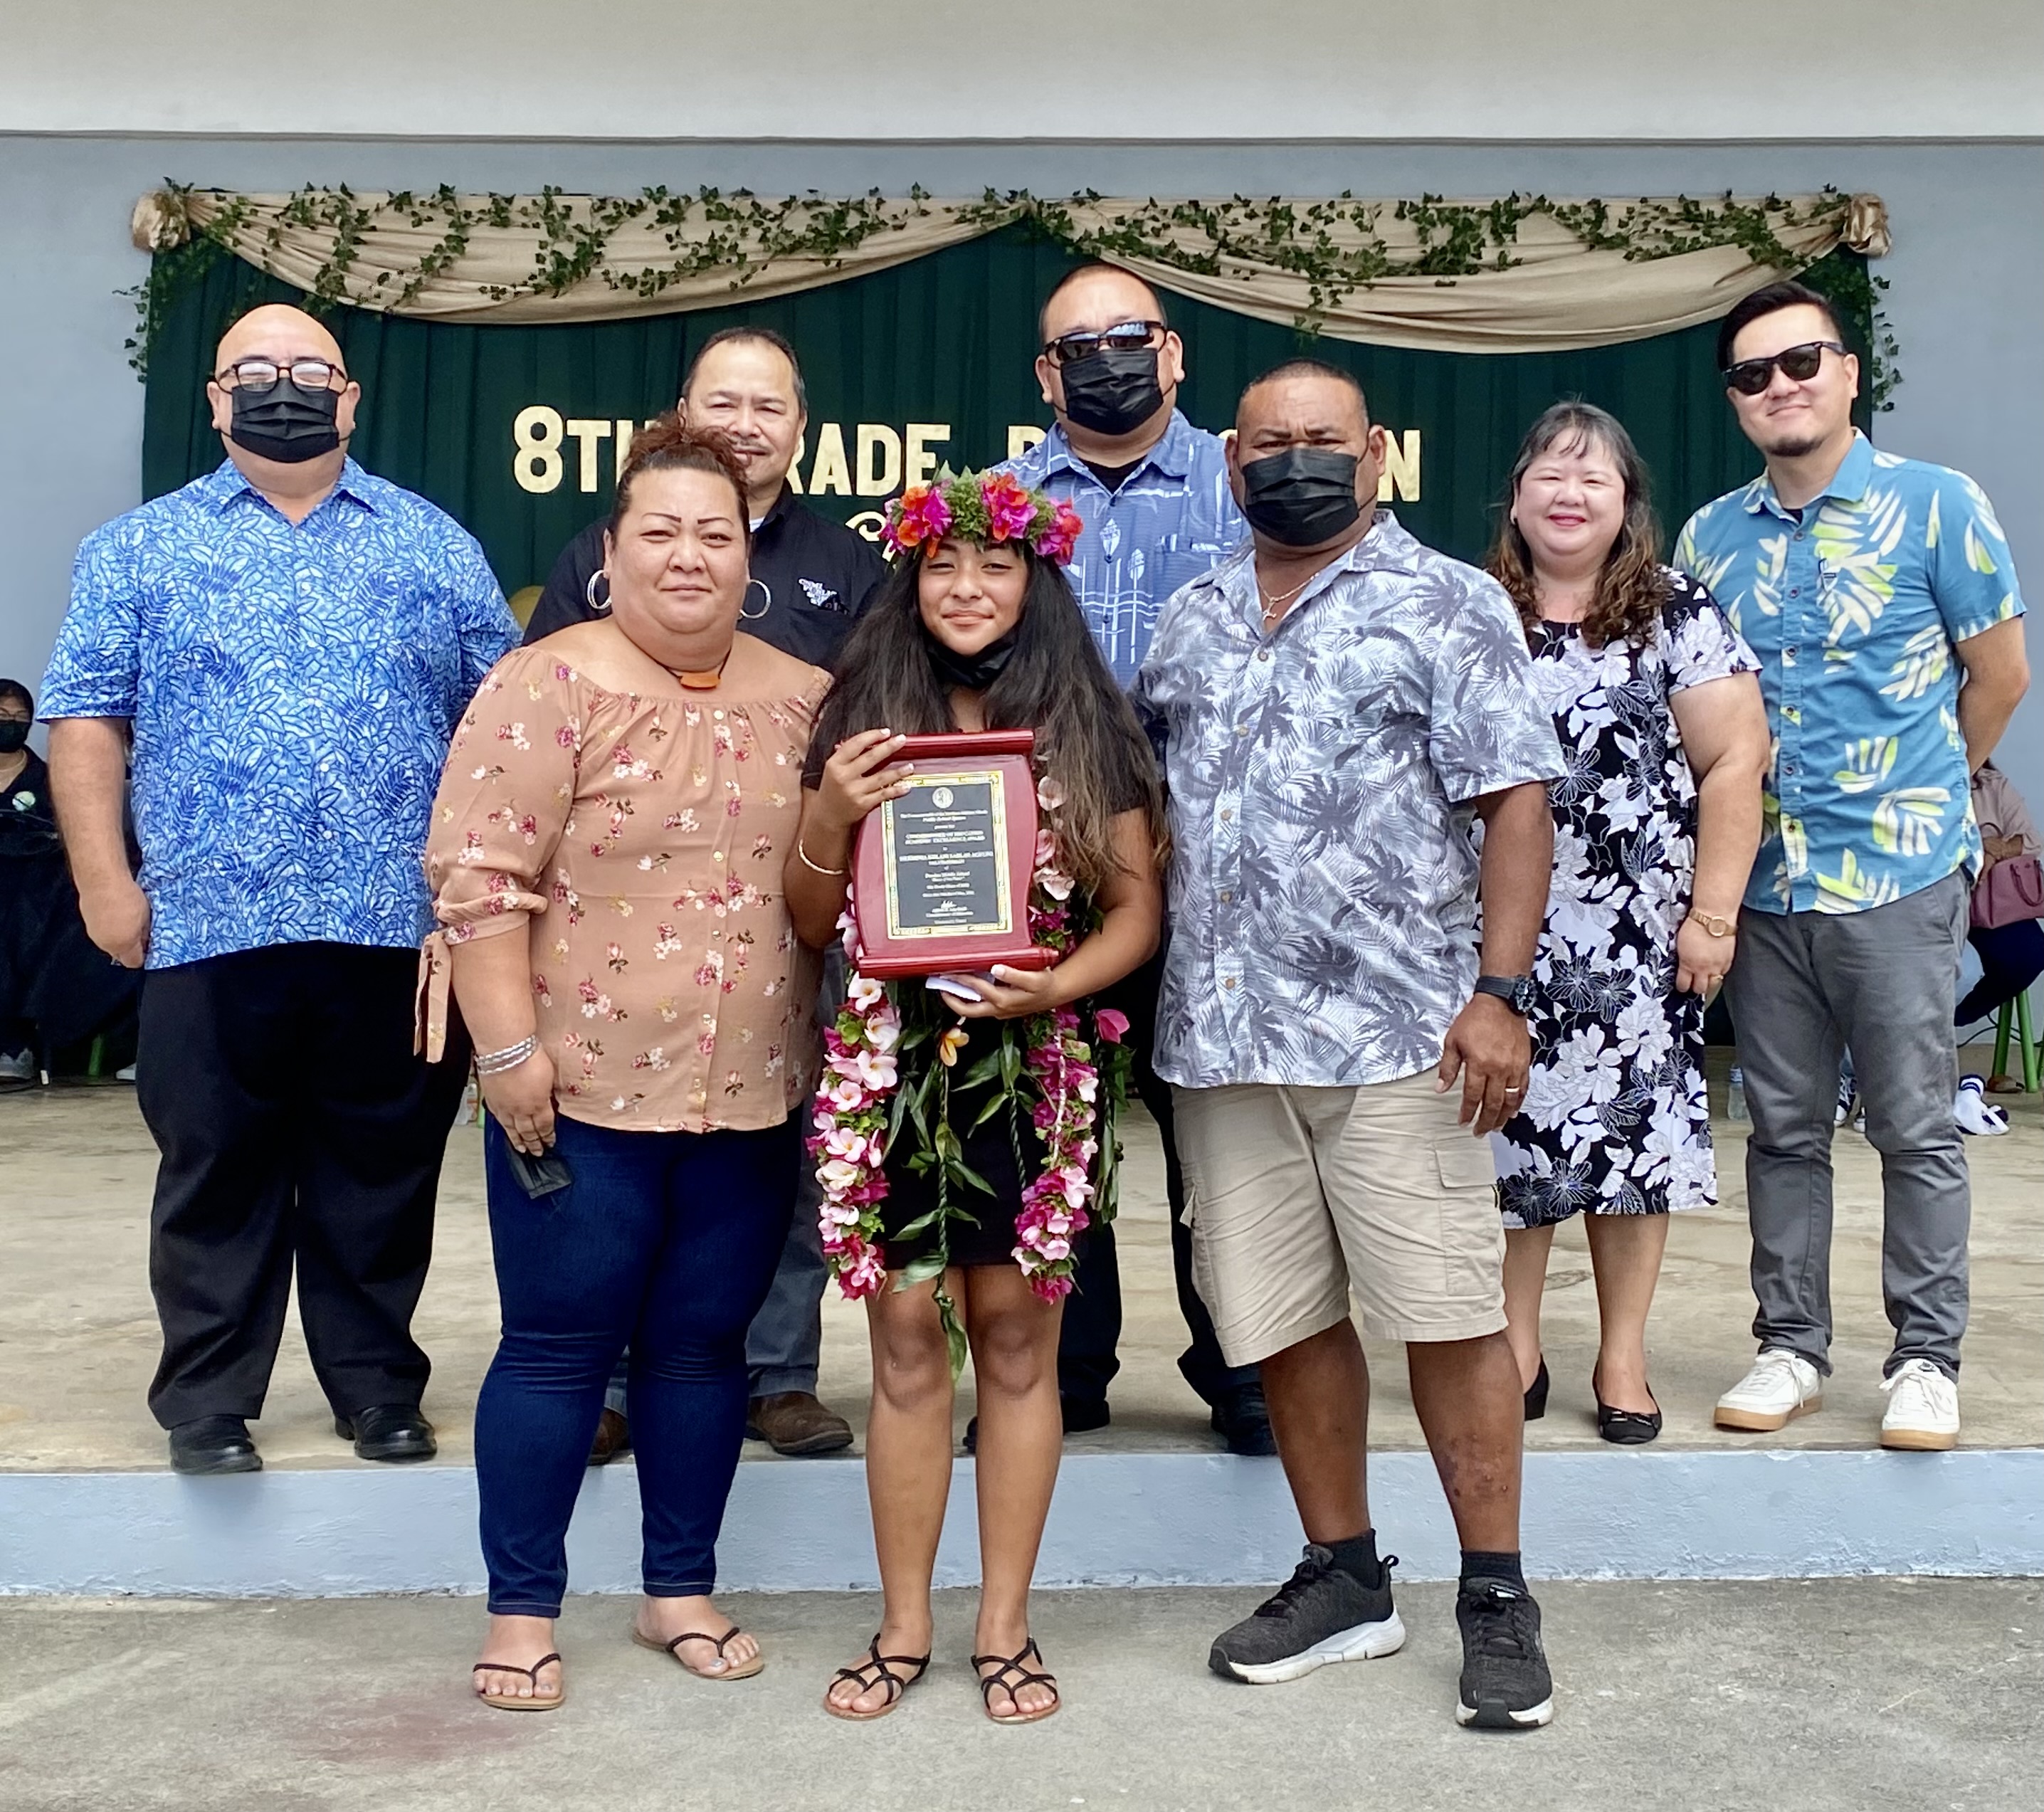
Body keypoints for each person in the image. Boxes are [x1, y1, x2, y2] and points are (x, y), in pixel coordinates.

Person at [1137, 362, 1566, 1730]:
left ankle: (1493, 1591)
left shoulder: (1451, 601)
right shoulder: (1191, 617)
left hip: (1404, 1032)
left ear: (1375, 454)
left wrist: (1499, 991)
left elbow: (1513, 801)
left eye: (1322, 440)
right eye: (1268, 443)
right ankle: (1343, 1574)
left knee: (1445, 1312)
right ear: (1228, 461)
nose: (1294, 460)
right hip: (1222, 1036)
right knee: (1283, 1317)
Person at [39, 303, 517, 1477]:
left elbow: (498, 728)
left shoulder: (431, 544)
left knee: (382, 1173)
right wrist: (106, 882)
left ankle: (374, 1389)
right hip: (207, 921)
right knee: (215, 1169)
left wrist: (487, 901)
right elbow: (89, 720)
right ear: (213, 398)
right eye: (254, 371)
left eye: (310, 372)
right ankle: (209, 1399)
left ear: (352, 399)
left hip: (391, 927)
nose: (283, 388)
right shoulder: (136, 549)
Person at [426, 421, 828, 1713]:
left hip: (754, 1090)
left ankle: (676, 1590)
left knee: (703, 1351)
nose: (688, 556)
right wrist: (507, 1050)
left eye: (714, 532)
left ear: (748, 552)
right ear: (613, 550)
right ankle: (521, 1609)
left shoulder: (802, 693)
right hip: (577, 1087)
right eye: (659, 530)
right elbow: (480, 878)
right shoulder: (549, 682)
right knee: (554, 1349)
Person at [788, 469, 1164, 1724]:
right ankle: (903, 1624)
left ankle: (1002, 1625)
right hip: (889, 1066)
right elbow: (803, 916)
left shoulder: (1083, 724)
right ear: (910, 577)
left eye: (992, 565)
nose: (964, 587)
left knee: (1013, 1342)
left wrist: (1046, 985)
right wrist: (833, 816)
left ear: (1032, 578)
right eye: (941, 565)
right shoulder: (857, 714)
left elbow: (1134, 915)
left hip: (1030, 1069)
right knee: (903, 1344)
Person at [1676, 279, 2028, 1452]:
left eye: (1799, 362)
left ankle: (1924, 1358)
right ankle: (1789, 1346)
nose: (1779, 386)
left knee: (1913, 1125)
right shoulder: (1709, 538)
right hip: (1764, 886)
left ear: (1844, 372)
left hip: (1898, 875)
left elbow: (1999, 677)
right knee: (1778, 1127)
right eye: (1752, 374)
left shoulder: (1937, 508)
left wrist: (1930, 794)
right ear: (1734, 401)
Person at [528, 325, 880, 1462]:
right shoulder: (603, 545)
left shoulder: (852, 563)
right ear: (683, 411)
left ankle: (778, 1373)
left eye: (766, 407)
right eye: (721, 403)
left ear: (801, 428)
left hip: (794, 916)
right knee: (623, 1166)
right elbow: (536, 728)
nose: (744, 425)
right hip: (626, 940)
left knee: (780, 1153)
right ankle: (615, 1378)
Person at [1001, 261, 1268, 1453]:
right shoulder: (995, 505)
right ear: (1048, 374)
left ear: (1172, 354)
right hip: (1045, 882)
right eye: (1079, 345)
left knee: (1224, 1136)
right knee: (1053, 1127)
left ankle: (1247, 1367)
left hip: (1219, 886)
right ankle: (1063, 1367)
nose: (1108, 358)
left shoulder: (1247, 490)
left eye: (1130, 337)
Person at [1484, 404, 1770, 1444]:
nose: (1570, 493)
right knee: (1509, 1144)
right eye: (1551, 474)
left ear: (1626, 504)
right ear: (1516, 498)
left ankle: (1622, 1354)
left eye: (1594, 477)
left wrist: (1714, 916)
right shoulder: (1476, 612)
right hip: (1500, 941)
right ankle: (1513, 1348)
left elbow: (1735, 760)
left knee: (1632, 1150)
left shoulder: (1676, 612)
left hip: (1640, 940)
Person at [0, 680, 139, 1086]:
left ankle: (20, 1044)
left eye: (19, 718)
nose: (10, 724)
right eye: (2, 716)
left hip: (43, 894)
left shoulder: (50, 781)